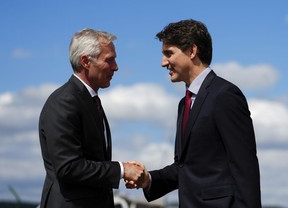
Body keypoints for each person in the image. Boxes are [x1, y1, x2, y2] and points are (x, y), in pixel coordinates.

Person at [128, 19, 262, 207]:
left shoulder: (225, 95)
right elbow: (184, 168)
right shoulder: (184, 103)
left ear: (192, 51)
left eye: (169, 53)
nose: (163, 62)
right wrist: (149, 179)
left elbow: (245, 167)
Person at [39, 28, 145, 208]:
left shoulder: (89, 100)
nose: (116, 67)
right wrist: (121, 169)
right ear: (86, 62)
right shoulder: (64, 102)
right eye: (109, 60)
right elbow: (68, 167)